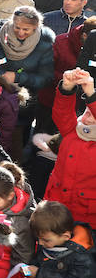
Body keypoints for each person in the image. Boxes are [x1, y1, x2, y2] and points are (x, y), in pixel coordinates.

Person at [44, 68, 96, 227]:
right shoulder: (73, 131)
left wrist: (90, 93)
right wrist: (67, 87)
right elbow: (62, 113)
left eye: (92, 115)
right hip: (56, 205)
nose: (85, 118)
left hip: (86, 216)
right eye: (86, 112)